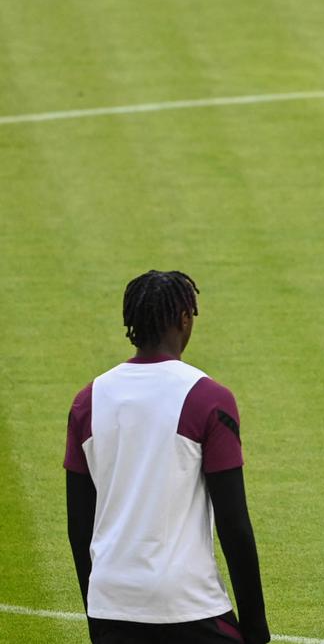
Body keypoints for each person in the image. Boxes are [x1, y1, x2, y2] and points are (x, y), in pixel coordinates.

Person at [64, 270, 268, 643]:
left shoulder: (87, 401)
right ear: (185, 319)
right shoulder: (208, 398)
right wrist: (256, 629)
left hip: (110, 604)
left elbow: (79, 525)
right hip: (186, 605)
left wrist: (97, 615)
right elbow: (233, 523)